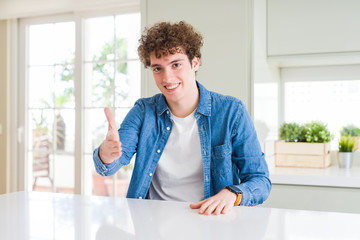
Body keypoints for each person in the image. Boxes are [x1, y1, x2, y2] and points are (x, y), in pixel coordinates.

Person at [93, 21, 271, 215]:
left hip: (210, 222)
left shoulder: (231, 112)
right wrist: (106, 154)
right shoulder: (143, 111)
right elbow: (107, 168)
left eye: (176, 64)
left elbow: (260, 180)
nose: (167, 78)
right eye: (157, 68)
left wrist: (232, 194)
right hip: (151, 224)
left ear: (195, 62)